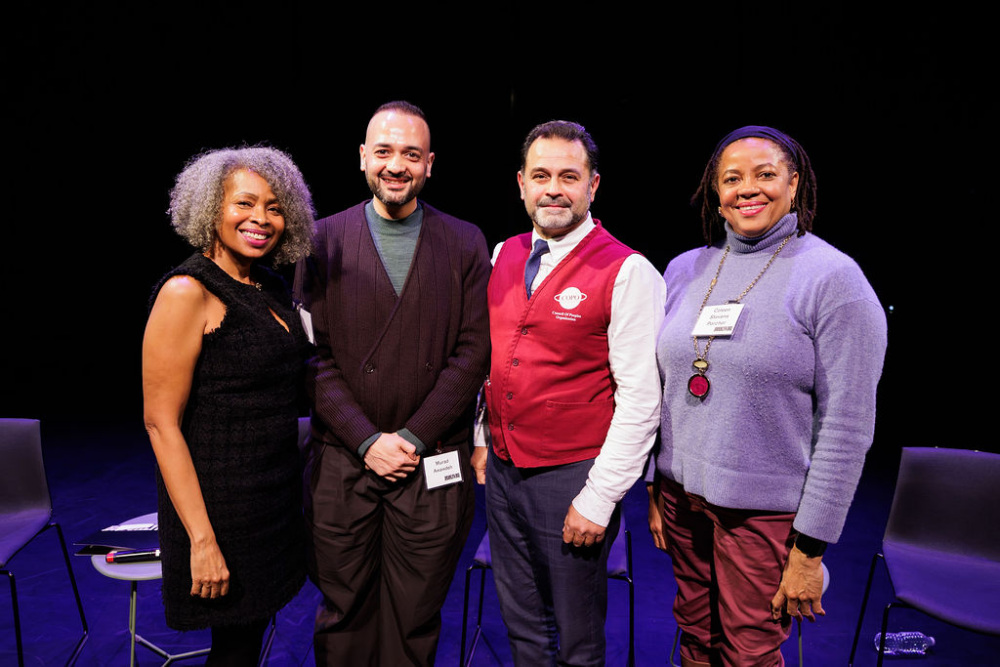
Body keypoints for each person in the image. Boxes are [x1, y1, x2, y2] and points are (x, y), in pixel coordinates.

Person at [648, 125, 888, 666]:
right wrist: (654, 486)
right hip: (681, 500)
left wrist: (809, 548)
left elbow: (847, 428)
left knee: (750, 652)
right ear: (716, 191)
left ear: (795, 184)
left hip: (763, 515)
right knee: (695, 636)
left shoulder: (834, 279)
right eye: (731, 179)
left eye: (765, 175)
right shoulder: (686, 268)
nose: (747, 189)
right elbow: (662, 390)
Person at [294, 101, 491, 666]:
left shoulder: (464, 242)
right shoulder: (321, 239)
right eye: (384, 151)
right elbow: (312, 357)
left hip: (431, 462)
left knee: (415, 617)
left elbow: (473, 351)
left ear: (430, 164)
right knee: (344, 613)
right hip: (342, 461)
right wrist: (366, 440)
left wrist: (410, 437)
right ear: (363, 159)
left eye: (410, 153)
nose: (396, 164)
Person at [478, 120, 665, 666]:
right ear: (521, 184)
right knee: (523, 628)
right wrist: (481, 437)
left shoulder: (628, 271)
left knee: (577, 642)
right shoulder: (503, 253)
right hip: (506, 474)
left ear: (593, 186)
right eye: (540, 175)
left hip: (574, 476)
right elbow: (491, 360)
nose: (553, 188)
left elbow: (642, 402)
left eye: (568, 176)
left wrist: (599, 498)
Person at [143, 146, 315, 664]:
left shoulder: (268, 286)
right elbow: (160, 424)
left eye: (274, 206)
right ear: (210, 209)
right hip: (219, 514)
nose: (261, 219)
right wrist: (201, 540)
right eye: (244, 203)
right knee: (233, 652)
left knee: (250, 640)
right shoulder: (186, 291)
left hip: (272, 502)